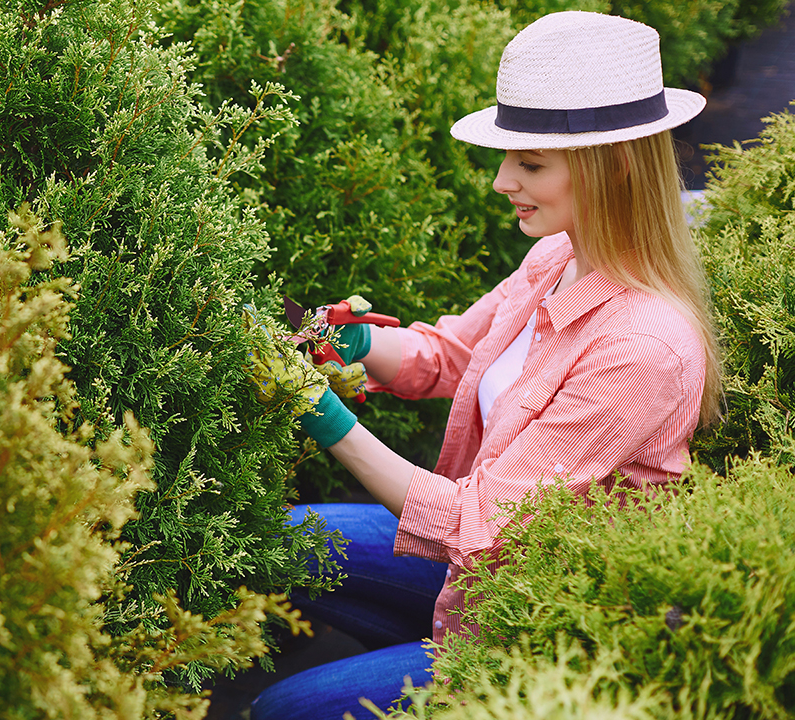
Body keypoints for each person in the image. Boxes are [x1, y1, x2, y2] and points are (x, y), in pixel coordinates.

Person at [243, 11, 722, 718]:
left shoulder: (643, 348)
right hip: (478, 569)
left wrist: (326, 418)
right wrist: (352, 342)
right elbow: (454, 355)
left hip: (533, 620)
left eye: (529, 163)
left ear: (614, 164)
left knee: (280, 711)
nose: (502, 181)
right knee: (284, 543)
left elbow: (475, 520)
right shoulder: (556, 257)